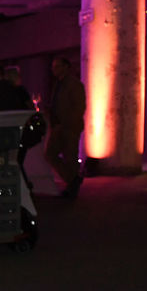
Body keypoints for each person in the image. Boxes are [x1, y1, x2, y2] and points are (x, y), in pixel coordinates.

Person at [44, 56, 86, 198]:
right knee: (51, 154)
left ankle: (72, 184)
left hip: (68, 127)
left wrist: (66, 124)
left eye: (57, 66)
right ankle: (72, 180)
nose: (54, 70)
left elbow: (79, 107)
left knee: (69, 156)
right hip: (59, 126)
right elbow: (59, 105)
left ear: (66, 67)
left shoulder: (73, 84)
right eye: (53, 67)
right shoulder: (59, 84)